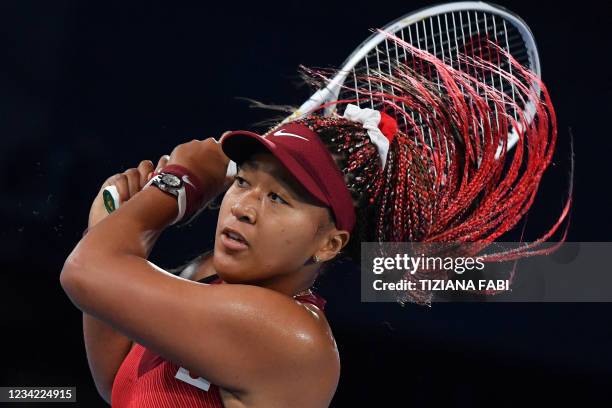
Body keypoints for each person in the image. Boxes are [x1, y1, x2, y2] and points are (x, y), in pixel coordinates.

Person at [60, 34, 569, 407]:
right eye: (243, 182)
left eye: (279, 199)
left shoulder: (289, 336)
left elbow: (85, 274)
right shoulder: (204, 278)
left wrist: (178, 185)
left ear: (329, 244)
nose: (243, 205)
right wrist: (105, 225)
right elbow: (119, 383)